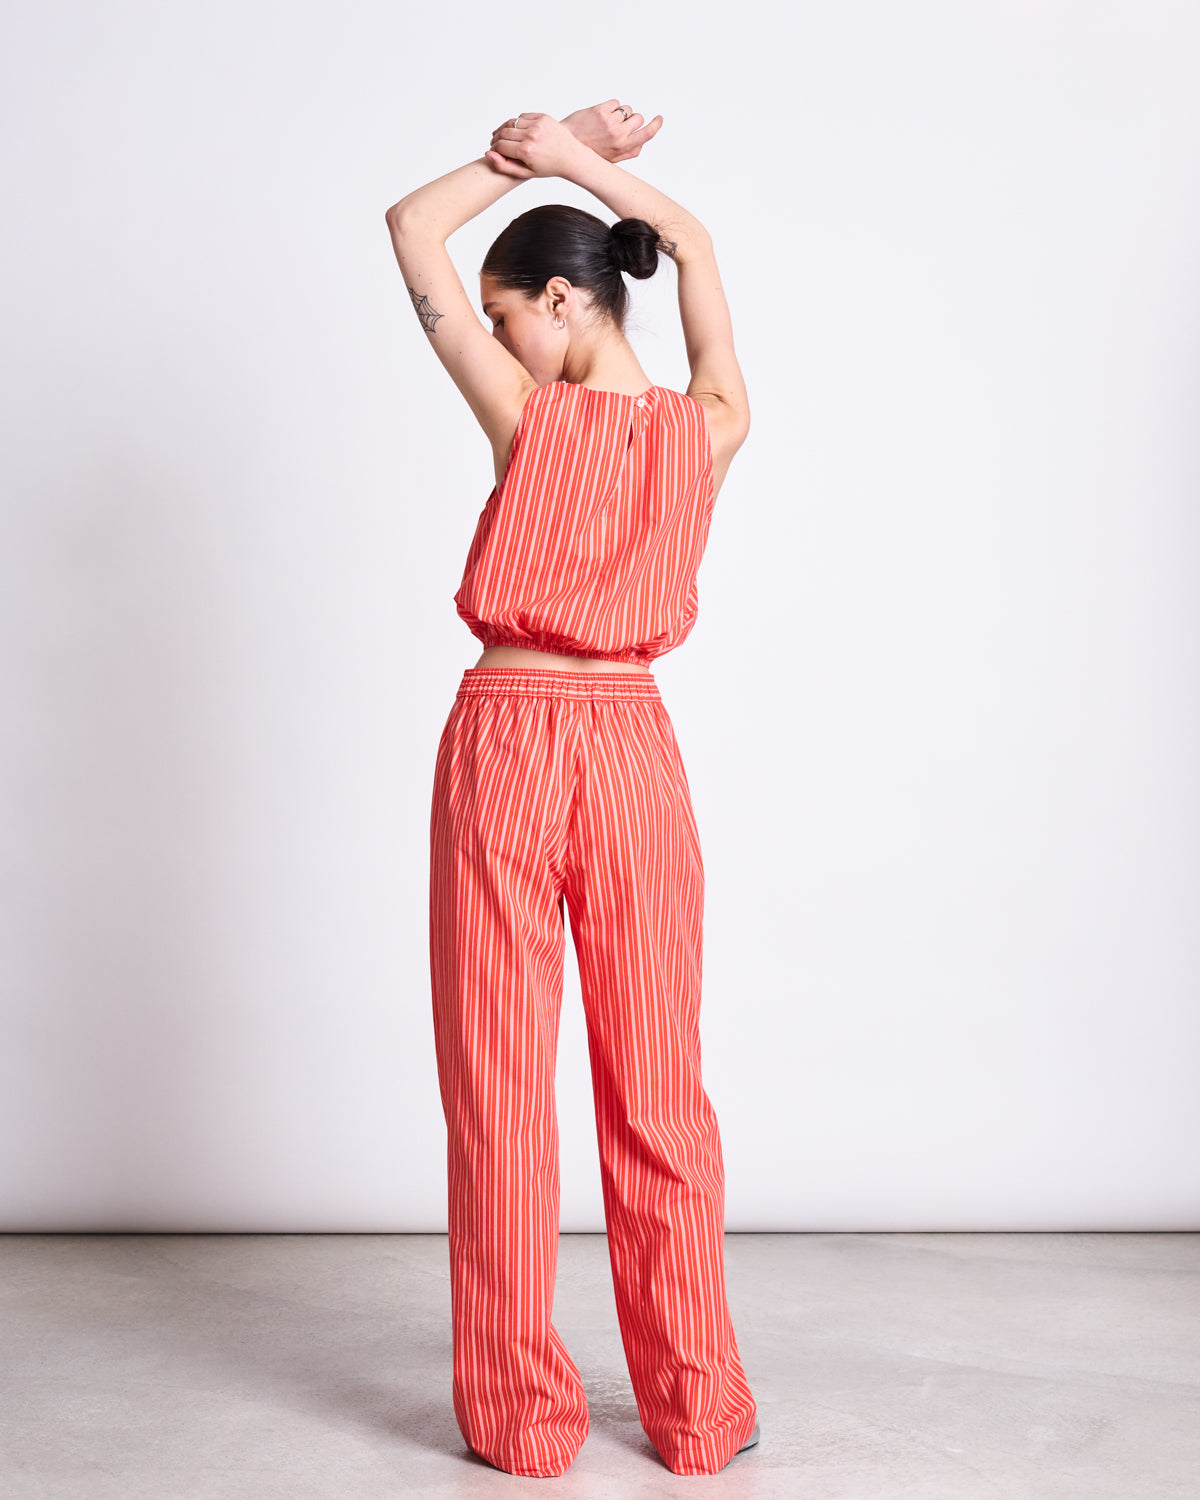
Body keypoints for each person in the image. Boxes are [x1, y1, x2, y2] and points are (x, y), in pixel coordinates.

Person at [384, 101, 759, 1479]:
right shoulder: (712, 425)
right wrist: (589, 170)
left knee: (498, 1090)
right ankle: (698, 1412)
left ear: (562, 297)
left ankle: (523, 1420)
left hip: (509, 732)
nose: (498, 340)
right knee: (659, 1091)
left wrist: (517, 159)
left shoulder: (524, 415)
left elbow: (409, 230)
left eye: (509, 315)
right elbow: (702, 249)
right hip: (635, 751)